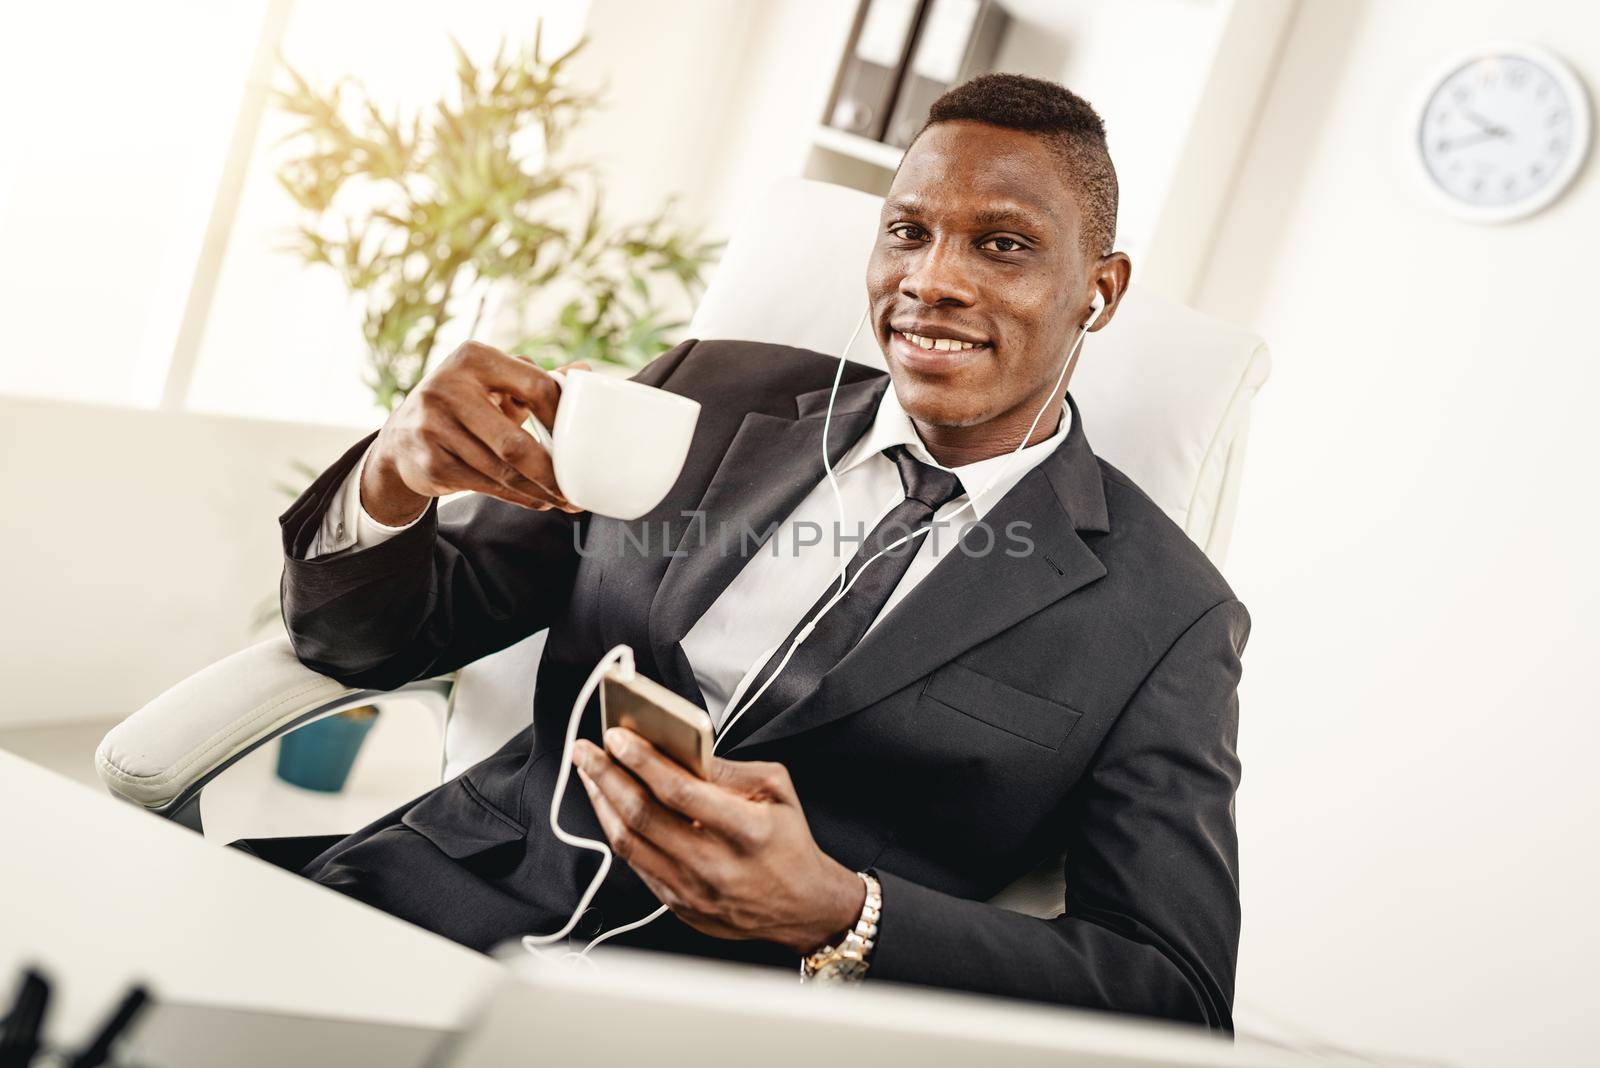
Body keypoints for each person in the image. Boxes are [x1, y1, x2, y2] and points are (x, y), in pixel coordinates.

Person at [263, 73, 1248, 1031]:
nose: (932, 280)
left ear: (1100, 291)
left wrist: (844, 911)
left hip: (738, 1025)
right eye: (907, 231)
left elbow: (1173, 990)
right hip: (436, 905)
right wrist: (393, 476)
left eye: (1001, 245)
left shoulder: (1165, 616)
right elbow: (370, 642)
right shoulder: (703, 393)